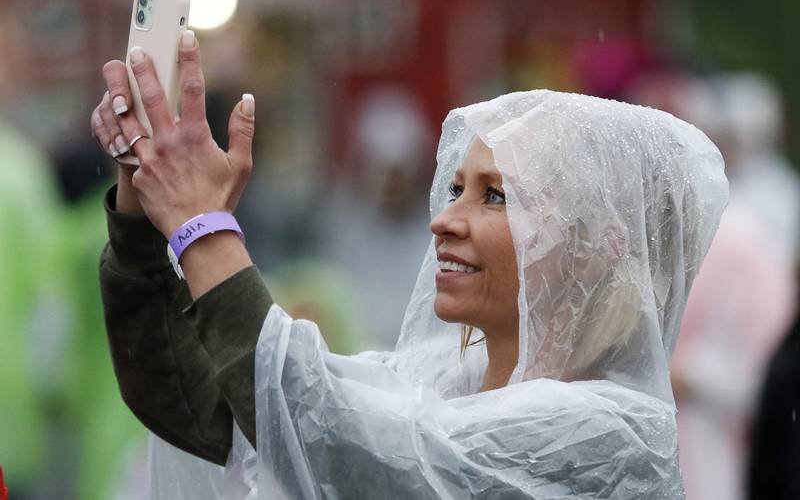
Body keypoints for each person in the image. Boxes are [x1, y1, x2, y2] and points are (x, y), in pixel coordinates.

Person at [91, 31, 728, 498]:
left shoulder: (608, 433)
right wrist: (145, 210)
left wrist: (200, 224)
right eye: (455, 190)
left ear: (599, 247)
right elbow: (204, 406)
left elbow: (326, 439)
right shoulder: (438, 381)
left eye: (496, 196)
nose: (444, 220)